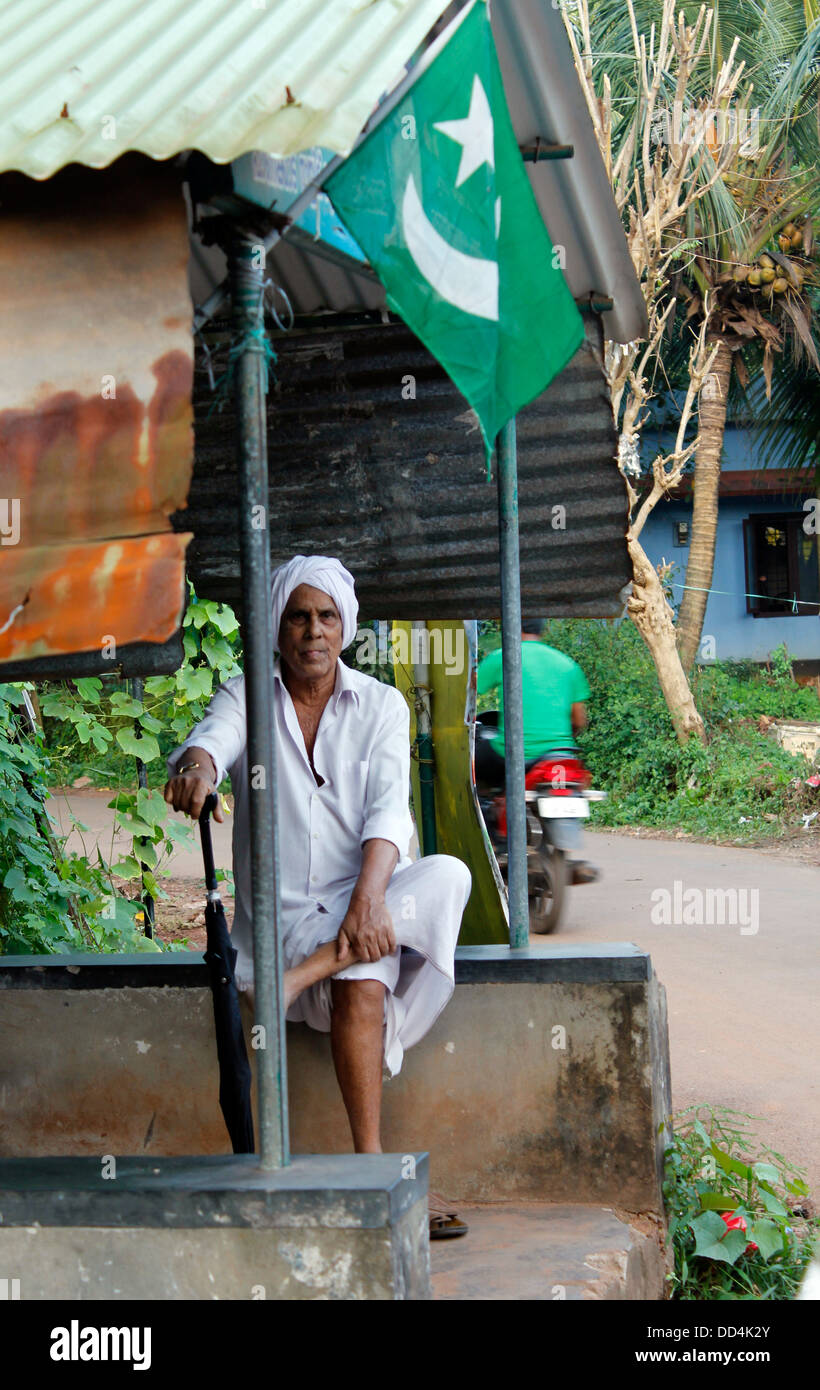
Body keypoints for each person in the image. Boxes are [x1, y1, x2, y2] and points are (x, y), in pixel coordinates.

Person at [164, 554, 472, 1238]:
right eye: (299, 617)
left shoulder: (383, 705)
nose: (313, 631)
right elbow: (208, 744)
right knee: (364, 964)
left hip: (367, 900)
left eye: (326, 616)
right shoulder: (247, 693)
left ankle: (368, 1174)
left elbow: (391, 811)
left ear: (346, 627)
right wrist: (197, 767)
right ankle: (377, 1173)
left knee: (447, 874)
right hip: (279, 925)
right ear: (278, 628)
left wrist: (367, 898)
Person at [475, 619, 597, 884]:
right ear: (544, 630)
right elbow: (579, 720)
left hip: (512, 753)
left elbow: (470, 691)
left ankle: (497, 843)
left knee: (477, 768)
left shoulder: (503, 657)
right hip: (559, 755)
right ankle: (561, 851)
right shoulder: (567, 664)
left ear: (512, 629)